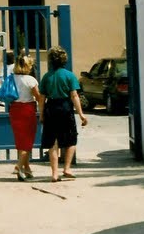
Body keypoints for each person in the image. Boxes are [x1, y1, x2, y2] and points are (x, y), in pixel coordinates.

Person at [39, 45, 88, 182]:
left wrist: (41, 114)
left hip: (51, 107)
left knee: (52, 141)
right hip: (65, 107)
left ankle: (55, 173)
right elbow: (74, 96)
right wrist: (81, 114)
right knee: (71, 138)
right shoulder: (69, 75)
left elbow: (42, 98)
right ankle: (67, 168)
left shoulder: (46, 77)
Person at [8, 53, 44, 181]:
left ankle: (26, 168)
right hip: (27, 110)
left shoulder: (11, 78)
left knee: (20, 141)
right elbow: (38, 97)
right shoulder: (30, 80)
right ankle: (18, 166)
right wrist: (43, 109)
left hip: (14, 110)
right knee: (28, 141)